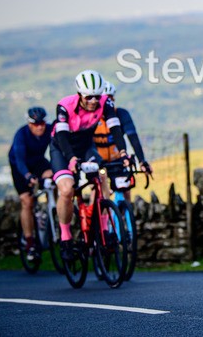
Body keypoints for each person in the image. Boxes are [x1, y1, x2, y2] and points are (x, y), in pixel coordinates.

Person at [50, 69, 129, 261]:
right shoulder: (64, 106)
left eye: (97, 95)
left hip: (86, 146)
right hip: (62, 148)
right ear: (80, 95)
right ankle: (66, 236)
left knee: (102, 176)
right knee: (67, 190)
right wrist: (71, 158)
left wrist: (124, 152)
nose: (94, 100)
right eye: (89, 97)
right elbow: (61, 136)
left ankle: (102, 228)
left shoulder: (105, 102)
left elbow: (115, 127)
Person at [8, 107, 54, 261]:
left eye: (42, 123)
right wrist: (28, 176)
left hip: (38, 162)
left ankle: (51, 210)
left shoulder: (49, 130)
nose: (40, 126)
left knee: (55, 178)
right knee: (27, 201)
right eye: (35, 124)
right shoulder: (21, 135)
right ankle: (29, 243)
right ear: (29, 123)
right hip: (20, 167)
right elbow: (20, 161)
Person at [93, 80, 152, 201]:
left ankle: (126, 214)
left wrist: (142, 161)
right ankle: (99, 218)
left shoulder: (121, 114)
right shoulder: (92, 117)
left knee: (126, 188)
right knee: (99, 193)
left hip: (118, 159)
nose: (107, 102)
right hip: (99, 161)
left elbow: (133, 138)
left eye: (110, 99)